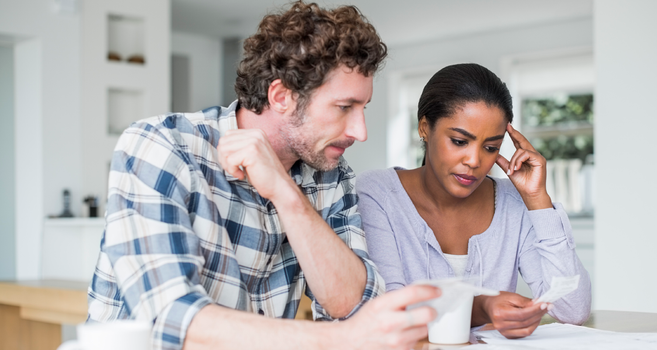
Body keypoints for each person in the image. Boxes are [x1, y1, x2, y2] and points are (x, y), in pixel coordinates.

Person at [86, 2, 439, 350]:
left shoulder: (331, 175)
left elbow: (352, 306)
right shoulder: (163, 146)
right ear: (281, 96)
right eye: (344, 107)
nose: (360, 131)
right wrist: (343, 340)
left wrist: (287, 195)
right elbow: (172, 322)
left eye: (363, 109)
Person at [357, 63, 591, 339]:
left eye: (491, 147)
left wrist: (537, 199)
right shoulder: (378, 194)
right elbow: (387, 313)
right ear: (424, 128)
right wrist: (480, 307)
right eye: (458, 141)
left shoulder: (512, 202)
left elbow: (573, 310)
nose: (475, 161)